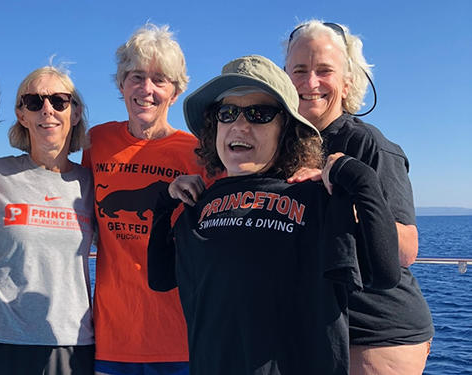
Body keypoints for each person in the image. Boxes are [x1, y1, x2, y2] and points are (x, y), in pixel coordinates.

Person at [147, 54, 401, 375]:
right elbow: (160, 278)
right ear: (215, 127)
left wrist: (359, 177)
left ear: (287, 130)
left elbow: (384, 275)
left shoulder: (314, 198)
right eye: (227, 113)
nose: (240, 125)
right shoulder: (197, 205)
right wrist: (164, 204)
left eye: (260, 113)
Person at [284, 20, 433, 375]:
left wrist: (335, 203)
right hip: (312, 329)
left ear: (348, 80)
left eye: (325, 71)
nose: (310, 83)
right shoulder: (281, 145)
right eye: (299, 71)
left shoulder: (369, 145)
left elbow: (405, 249)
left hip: (375, 334)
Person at [82, 23, 205, 375]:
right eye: (136, 76)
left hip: (181, 337)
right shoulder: (97, 141)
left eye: (159, 80)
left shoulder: (199, 152)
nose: (146, 89)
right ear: (121, 84)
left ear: (176, 91)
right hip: (111, 338)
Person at [0, 66, 96, 375]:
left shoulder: (91, 183)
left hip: (71, 341)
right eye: (34, 102)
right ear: (21, 114)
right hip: (0, 342)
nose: (47, 110)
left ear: (76, 113)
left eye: (59, 101)